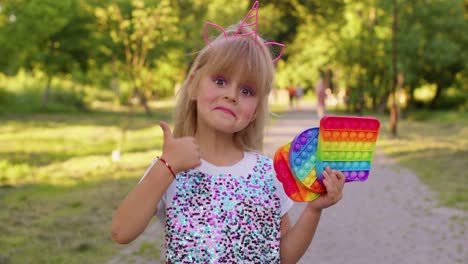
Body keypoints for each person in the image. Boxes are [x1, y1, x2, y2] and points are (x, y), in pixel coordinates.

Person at [110, 2, 345, 263]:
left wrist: (313, 210)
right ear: (193, 86)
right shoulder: (170, 167)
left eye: (247, 91)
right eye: (220, 81)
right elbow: (121, 232)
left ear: (255, 110)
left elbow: (283, 257)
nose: (231, 95)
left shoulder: (267, 173)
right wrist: (167, 166)